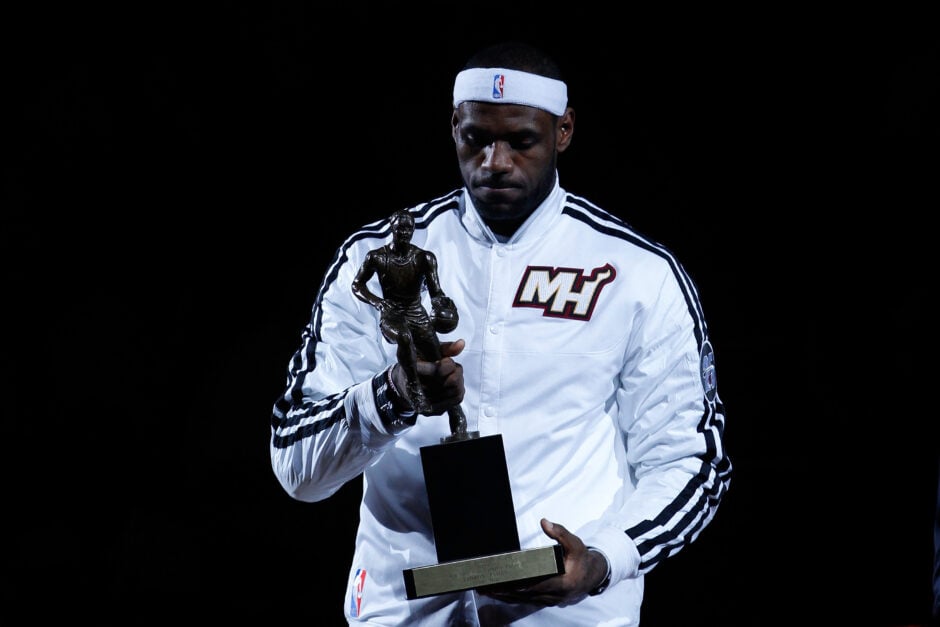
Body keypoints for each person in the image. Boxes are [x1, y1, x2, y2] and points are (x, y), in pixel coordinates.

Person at [270, 40, 732, 626]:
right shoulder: (378, 256)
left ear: (563, 131)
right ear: (452, 127)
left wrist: (603, 560)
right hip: (403, 607)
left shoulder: (635, 273)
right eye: (476, 139)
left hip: (570, 615)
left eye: (521, 141)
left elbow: (689, 462)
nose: (494, 161)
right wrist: (390, 398)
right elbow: (296, 467)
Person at [350, 209, 468, 438]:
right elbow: (357, 285)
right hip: (392, 314)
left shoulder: (424, 258)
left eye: (408, 228)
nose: (404, 232)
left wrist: (445, 307)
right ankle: (414, 389)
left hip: (417, 313)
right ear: (392, 227)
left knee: (439, 364)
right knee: (404, 337)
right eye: (400, 227)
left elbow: (436, 291)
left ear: (413, 231)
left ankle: (458, 416)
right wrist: (379, 304)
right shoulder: (377, 257)